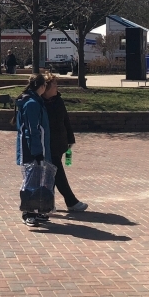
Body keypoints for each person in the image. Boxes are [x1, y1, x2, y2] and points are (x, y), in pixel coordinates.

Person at [42, 75, 88, 213]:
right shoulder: (40, 103)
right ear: (46, 88)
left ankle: (50, 203)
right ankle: (70, 201)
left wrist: (70, 138)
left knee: (51, 174)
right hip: (47, 144)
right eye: (55, 85)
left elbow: (66, 120)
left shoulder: (58, 101)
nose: (57, 87)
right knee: (56, 173)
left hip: (59, 142)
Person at [15, 73, 52, 227]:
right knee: (31, 180)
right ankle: (28, 213)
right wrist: (37, 152)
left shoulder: (35, 101)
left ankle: (36, 211)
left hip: (37, 148)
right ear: (42, 86)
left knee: (37, 180)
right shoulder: (32, 103)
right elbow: (32, 131)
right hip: (31, 149)